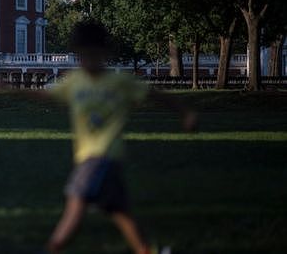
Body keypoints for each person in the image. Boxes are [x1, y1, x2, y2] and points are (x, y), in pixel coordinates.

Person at [42, 21, 196, 254]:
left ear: (105, 54)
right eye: (83, 56)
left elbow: (157, 96)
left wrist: (185, 112)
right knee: (119, 211)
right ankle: (146, 251)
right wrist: (9, 90)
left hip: (102, 156)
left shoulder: (119, 82)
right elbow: (44, 95)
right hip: (91, 159)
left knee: (76, 202)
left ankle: (54, 247)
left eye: (94, 55)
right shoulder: (75, 81)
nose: (88, 61)